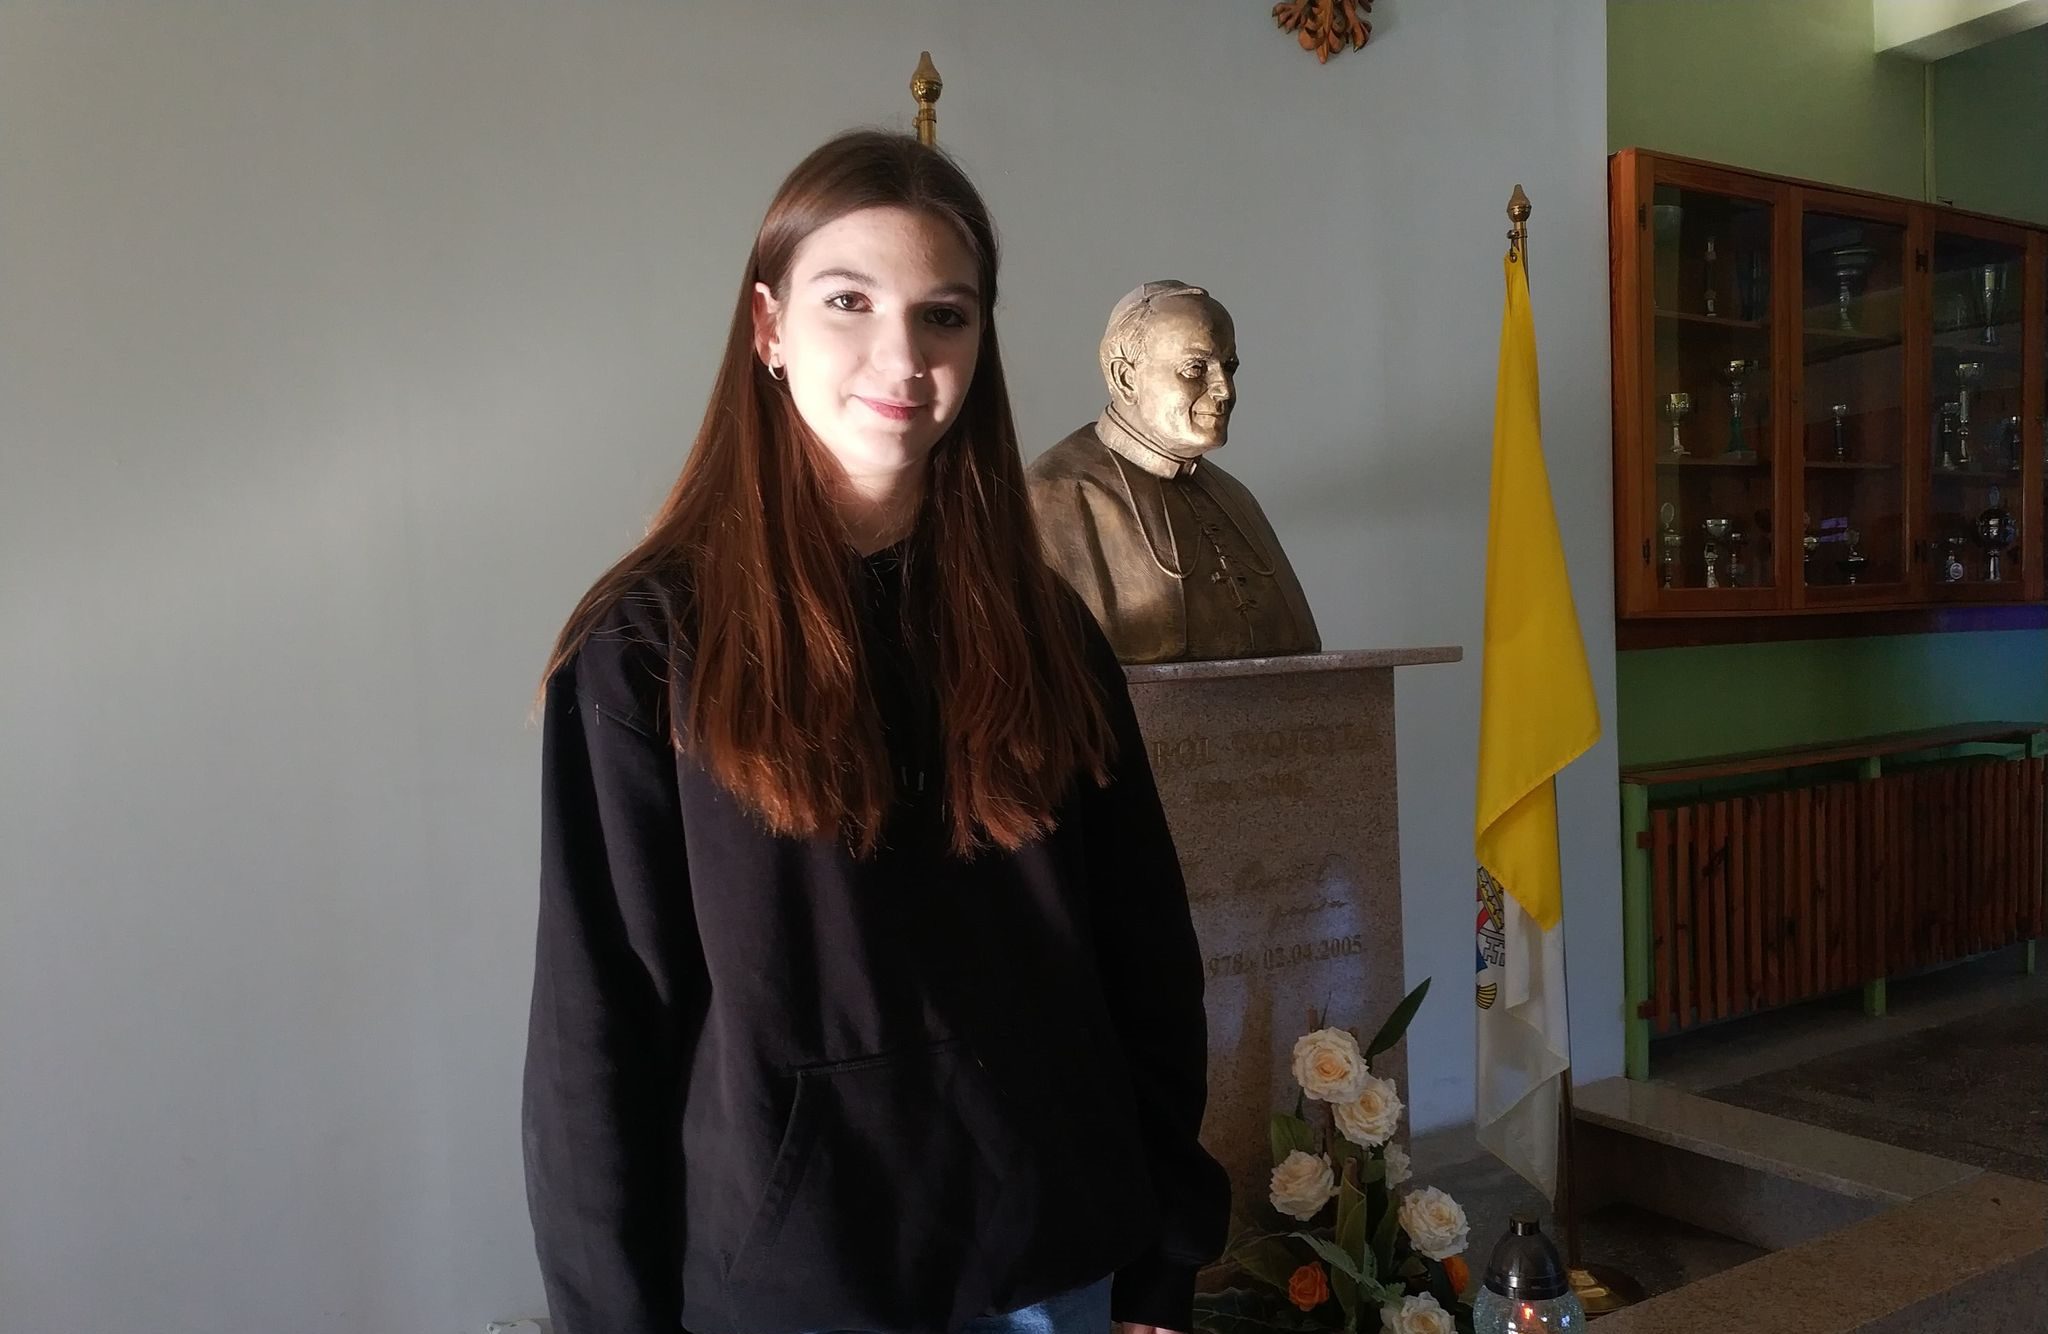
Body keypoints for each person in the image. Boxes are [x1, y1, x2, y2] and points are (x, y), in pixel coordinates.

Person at [521, 130, 1228, 1334]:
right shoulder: (647, 646)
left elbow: (1145, 959)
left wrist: (1164, 1255)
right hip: (798, 1289)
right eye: (848, 301)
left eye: (943, 315)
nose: (900, 357)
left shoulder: (1046, 629)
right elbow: (595, 1034)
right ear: (768, 325)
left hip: (1057, 1266)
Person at [1027, 282, 1320, 664]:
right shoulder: (1054, 495)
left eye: (1229, 366)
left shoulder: (1235, 496)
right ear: (1125, 378)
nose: (1225, 390)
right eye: (1195, 368)